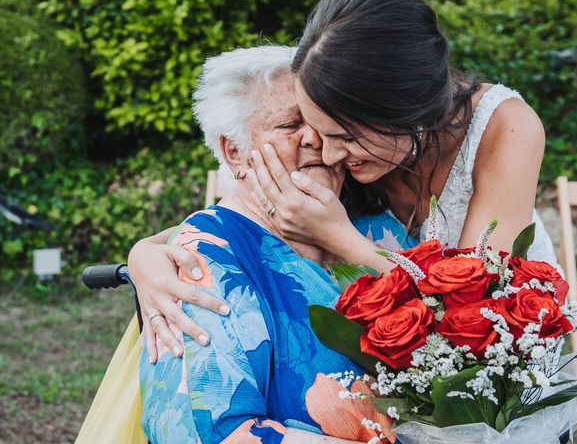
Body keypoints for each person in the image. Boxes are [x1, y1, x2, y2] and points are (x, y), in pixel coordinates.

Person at [128, 0, 559, 356]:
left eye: (346, 137)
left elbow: (471, 309)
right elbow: (239, 216)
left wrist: (339, 238)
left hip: (499, 361)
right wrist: (145, 253)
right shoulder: (359, 147)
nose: (330, 155)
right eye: (319, 131)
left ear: (404, 113)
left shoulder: (505, 128)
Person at [139, 45, 409, 443]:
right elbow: (206, 432)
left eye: (322, 120)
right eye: (289, 124)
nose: (315, 138)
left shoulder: (377, 227)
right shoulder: (204, 262)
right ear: (235, 152)